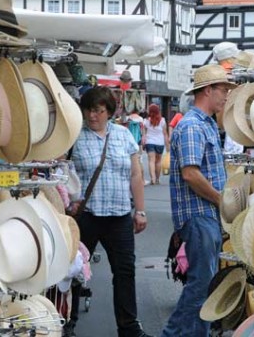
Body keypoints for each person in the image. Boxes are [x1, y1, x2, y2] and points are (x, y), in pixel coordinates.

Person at [67, 86, 151, 337]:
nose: (92, 116)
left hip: (119, 215)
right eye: (88, 110)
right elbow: (61, 171)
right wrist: (69, 202)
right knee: (73, 272)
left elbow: (136, 174)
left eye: (98, 111)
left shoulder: (124, 135)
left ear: (109, 112)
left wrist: (141, 211)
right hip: (87, 215)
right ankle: (65, 324)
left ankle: (128, 327)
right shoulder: (74, 136)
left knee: (125, 272)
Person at [161, 64, 237, 337]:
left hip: (203, 216)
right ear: (208, 90)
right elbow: (191, 174)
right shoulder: (194, 126)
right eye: (224, 90)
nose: (227, 96)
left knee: (202, 286)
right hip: (199, 216)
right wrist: (220, 200)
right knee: (200, 286)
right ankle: (172, 334)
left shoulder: (203, 125)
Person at [143, 104, 169, 185]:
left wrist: (144, 141)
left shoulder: (146, 120)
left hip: (149, 142)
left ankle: (153, 179)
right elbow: (165, 133)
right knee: (158, 161)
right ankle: (157, 179)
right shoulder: (162, 120)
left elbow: (144, 133)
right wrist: (167, 145)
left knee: (151, 161)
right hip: (160, 143)